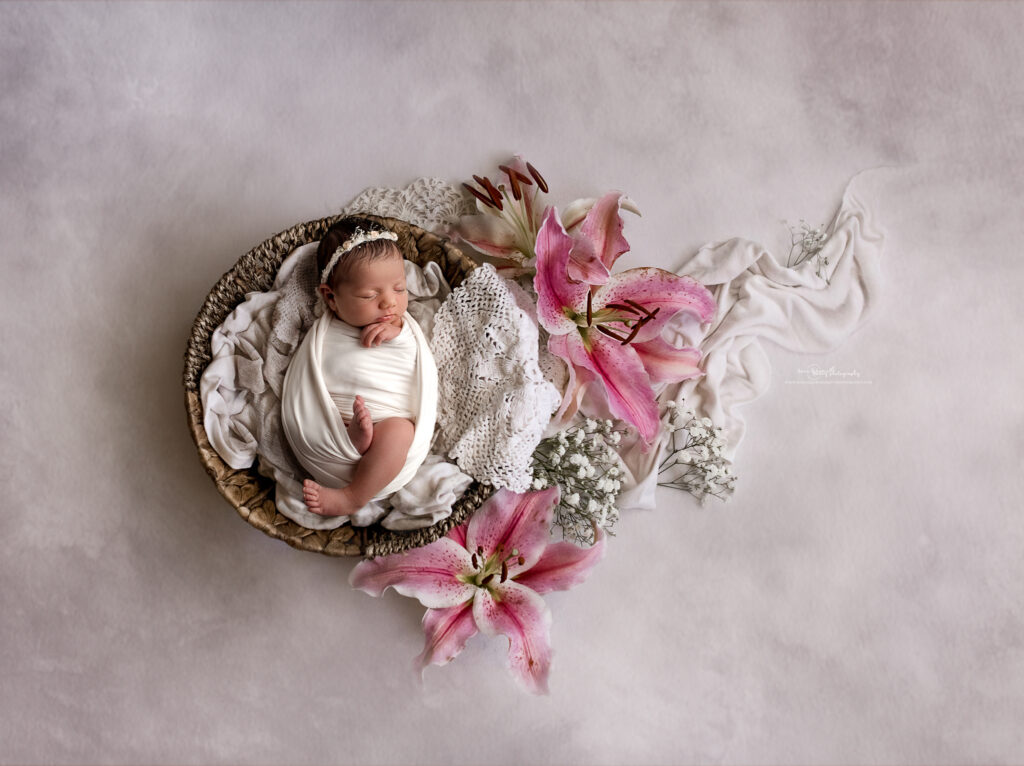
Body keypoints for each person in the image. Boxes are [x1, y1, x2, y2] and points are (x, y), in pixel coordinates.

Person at [281, 217, 437, 517]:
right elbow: (309, 375)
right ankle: (353, 437)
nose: (389, 303)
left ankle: (353, 495)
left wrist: (399, 331)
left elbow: (414, 356)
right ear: (331, 298)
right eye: (369, 295)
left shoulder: (401, 327)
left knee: (400, 432)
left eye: (399, 288)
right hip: (333, 421)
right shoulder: (325, 329)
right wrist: (335, 425)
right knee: (319, 414)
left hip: (388, 419)